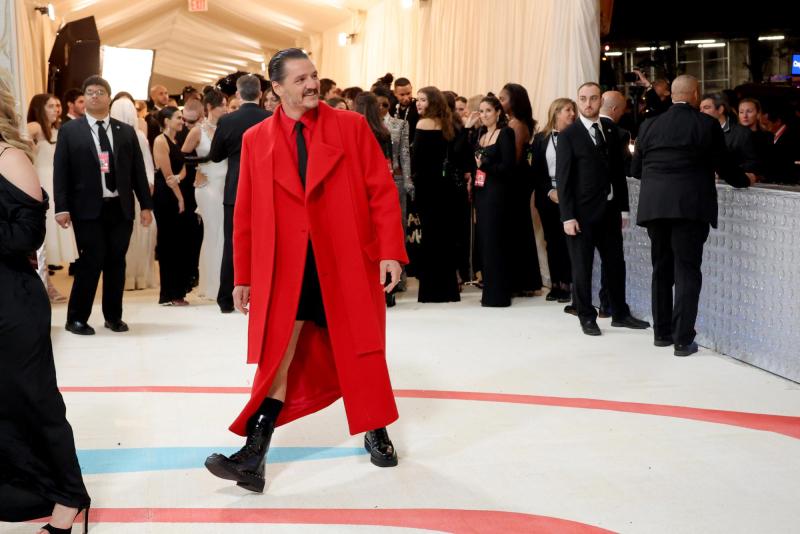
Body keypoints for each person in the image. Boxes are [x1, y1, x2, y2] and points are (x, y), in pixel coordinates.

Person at [204, 48, 407, 493]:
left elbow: (381, 190)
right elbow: (245, 213)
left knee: (361, 348)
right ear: (276, 88)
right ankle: (253, 456)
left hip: (347, 259)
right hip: (287, 267)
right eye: (300, 79)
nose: (312, 84)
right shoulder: (257, 138)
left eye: (314, 76)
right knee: (279, 355)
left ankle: (376, 430)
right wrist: (243, 276)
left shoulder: (351, 127)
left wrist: (391, 251)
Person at [0, 80, 92, 534]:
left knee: (36, 400)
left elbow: (26, 237)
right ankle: (27, 484)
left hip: (11, 301)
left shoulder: (9, 157)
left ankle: (71, 498)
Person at [632, 74, 753, 357]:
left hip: (655, 208)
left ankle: (661, 333)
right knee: (686, 272)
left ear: (672, 95)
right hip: (690, 207)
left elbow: (636, 169)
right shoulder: (707, 125)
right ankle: (682, 340)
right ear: (696, 94)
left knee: (661, 270)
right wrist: (745, 179)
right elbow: (724, 167)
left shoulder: (649, 125)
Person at [54, 75, 154, 335]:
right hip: (87, 208)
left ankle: (113, 316)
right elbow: (60, 172)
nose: (94, 96)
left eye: (100, 91)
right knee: (92, 259)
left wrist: (146, 205)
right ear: (83, 99)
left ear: (109, 98)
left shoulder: (125, 131)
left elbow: (137, 172)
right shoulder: (70, 131)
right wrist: (61, 207)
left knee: (116, 262)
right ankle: (76, 318)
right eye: (89, 92)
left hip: (120, 208)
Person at [556, 82, 649, 336]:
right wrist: (567, 216)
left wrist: (624, 209)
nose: (588, 103)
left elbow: (618, 174)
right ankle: (587, 316)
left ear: (600, 101)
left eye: (593, 98)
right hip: (581, 216)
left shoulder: (610, 129)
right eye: (583, 99)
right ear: (578, 101)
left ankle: (620, 312)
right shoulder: (568, 135)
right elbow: (563, 180)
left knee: (616, 264)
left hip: (609, 212)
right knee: (583, 268)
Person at [208, 74, 271, 313]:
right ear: (260, 93)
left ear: (237, 93)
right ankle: (264, 291)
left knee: (232, 243)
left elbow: (215, 155)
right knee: (266, 243)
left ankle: (226, 299)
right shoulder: (271, 118)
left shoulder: (228, 120)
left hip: (236, 188)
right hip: (266, 190)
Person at [27, 93, 78, 303]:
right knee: (42, 238)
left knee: (50, 238)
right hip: (40, 180)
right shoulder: (35, 127)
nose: (56, 109)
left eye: (57, 105)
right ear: (40, 108)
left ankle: (46, 284)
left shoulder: (58, 129)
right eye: (50, 106)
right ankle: (44, 285)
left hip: (56, 183)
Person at [412, 86, 461, 303]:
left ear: (432, 102)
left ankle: (431, 292)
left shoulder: (423, 124)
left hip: (428, 187)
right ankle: (449, 290)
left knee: (430, 236)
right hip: (446, 186)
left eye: (423, 100)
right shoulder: (448, 124)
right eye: (418, 100)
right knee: (445, 236)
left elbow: (417, 159)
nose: (418, 104)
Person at [183, 89, 228, 300]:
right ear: (210, 107)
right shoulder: (198, 131)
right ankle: (212, 285)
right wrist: (200, 167)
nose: (226, 109)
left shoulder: (227, 128)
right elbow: (182, 156)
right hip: (208, 186)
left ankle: (224, 282)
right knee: (213, 232)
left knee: (224, 234)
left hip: (226, 184)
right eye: (222, 105)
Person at [498, 83, 542, 297]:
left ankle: (521, 281)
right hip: (515, 181)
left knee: (517, 229)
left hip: (516, 183)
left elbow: (513, 159)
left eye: (503, 98)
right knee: (517, 229)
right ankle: (520, 280)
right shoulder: (513, 123)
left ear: (514, 101)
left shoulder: (517, 125)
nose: (499, 102)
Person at [110, 97, 157, 291]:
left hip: (120, 194)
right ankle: (139, 278)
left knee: (123, 239)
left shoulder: (113, 134)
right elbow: (147, 169)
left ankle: (125, 279)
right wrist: (147, 195)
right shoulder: (137, 135)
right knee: (140, 238)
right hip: (137, 193)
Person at [532, 98, 576, 305]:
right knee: (552, 240)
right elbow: (536, 172)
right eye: (568, 110)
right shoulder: (541, 139)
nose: (572, 114)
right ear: (556, 112)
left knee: (569, 240)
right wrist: (549, 191)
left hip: (571, 194)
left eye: (573, 110)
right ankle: (556, 283)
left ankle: (569, 283)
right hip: (547, 195)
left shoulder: (577, 137)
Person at [473, 95, 515, 307]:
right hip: (481, 193)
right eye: (481, 111)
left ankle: (499, 294)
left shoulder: (505, 133)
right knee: (485, 241)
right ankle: (489, 290)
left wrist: (485, 166)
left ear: (498, 112)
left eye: (488, 110)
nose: (484, 115)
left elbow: (508, 168)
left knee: (495, 241)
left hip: (497, 194)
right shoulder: (480, 133)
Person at [151, 106, 192, 306]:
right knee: (168, 244)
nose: (182, 121)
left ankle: (177, 291)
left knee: (178, 244)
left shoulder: (177, 140)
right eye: (178, 117)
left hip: (176, 192)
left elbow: (182, 167)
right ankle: (169, 293)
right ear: (166, 120)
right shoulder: (160, 141)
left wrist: (180, 177)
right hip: (166, 196)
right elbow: (167, 176)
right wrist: (180, 197)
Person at [373, 86, 412, 287]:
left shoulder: (400, 125)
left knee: (399, 225)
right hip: (372, 182)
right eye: (377, 104)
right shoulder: (365, 125)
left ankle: (400, 275)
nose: (381, 108)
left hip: (395, 179)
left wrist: (407, 181)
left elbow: (404, 154)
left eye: (385, 104)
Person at [700, 93, 759, 176]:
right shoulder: (701, 133)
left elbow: (753, 162)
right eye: (700, 108)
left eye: (706, 108)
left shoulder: (742, 133)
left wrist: (728, 172)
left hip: (733, 185)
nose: (701, 112)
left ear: (720, 109)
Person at [760, 102, 800, 185]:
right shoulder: (770, 136)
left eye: (766, 124)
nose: (763, 127)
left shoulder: (792, 137)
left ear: (778, 122)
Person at [738, 97, 773, 180]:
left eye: (749, 111)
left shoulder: (767, 136)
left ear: (758, 114)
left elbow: (768, 163)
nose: (745, 115)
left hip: (761, 183)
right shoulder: (731, 135)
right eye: (741, 112)